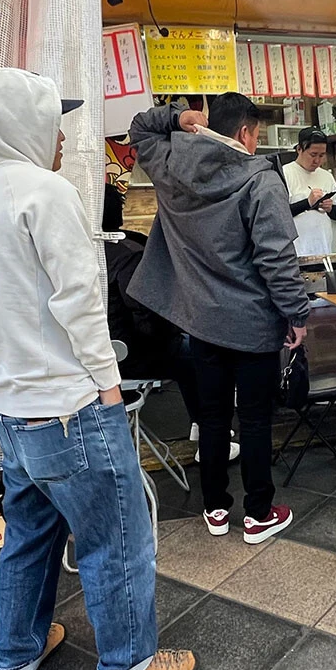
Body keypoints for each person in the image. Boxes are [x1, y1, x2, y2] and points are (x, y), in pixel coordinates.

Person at [0, 67, 195, 670]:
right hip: (68, 403)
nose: (59, 134)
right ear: (21, 123)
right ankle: (127, 663)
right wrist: (110, 391)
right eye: (51, 120)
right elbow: (81, 301)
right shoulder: (46, 191)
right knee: (115, 537)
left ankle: (14, 654)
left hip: (11, 405)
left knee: (29, 536)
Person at [128, 92, 308, 544]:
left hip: (199, 322)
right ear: (246, 133)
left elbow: (140, 129)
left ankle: (214, 508)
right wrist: (297, 315)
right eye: (256, 134)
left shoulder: (171, 167)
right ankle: (258, 514)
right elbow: (277, 260)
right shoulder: (262, 182)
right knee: (254, 421)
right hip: (251, 326)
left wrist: (177, 116)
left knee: (211, 419)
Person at [100, 184, 239, 463]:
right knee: (198, 349)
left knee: (186, 347)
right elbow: (147, 314)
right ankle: (214, 439)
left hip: (99, 355)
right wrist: (177, 326)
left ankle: (201, 424)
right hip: (128, 358)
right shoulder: (127, 253)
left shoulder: (80, 251)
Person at [284, 127, 336, 257]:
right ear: (299, 149)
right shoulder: (285, 173)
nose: (317, 161)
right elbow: (280, 214)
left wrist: (330, 208)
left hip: (323, 250)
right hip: (295, 253)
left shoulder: (326, 176)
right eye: (313, 155)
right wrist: (308, 203)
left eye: (321, 155)